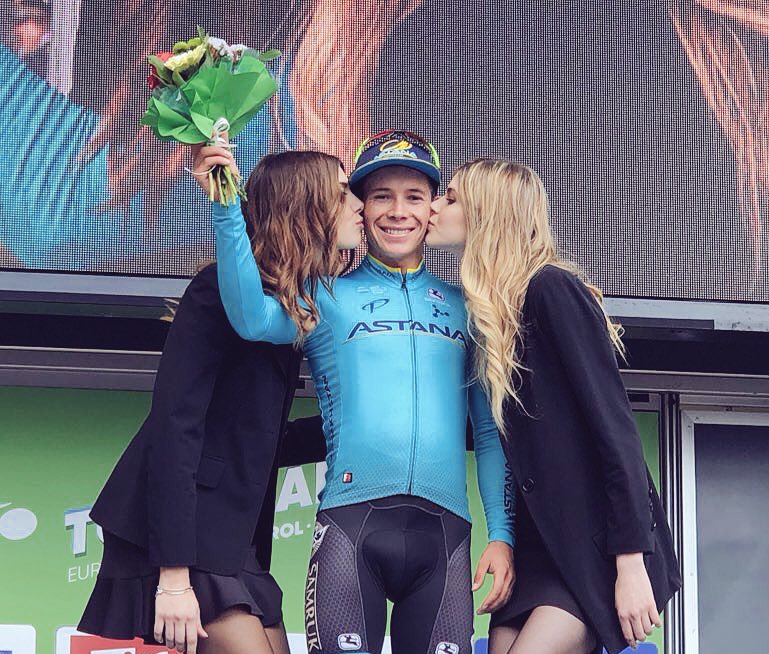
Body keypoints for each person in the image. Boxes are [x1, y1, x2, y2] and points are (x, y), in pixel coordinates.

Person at [193, 129, 515, 654]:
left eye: (414, 197)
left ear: (433, 208)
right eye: (381, 196)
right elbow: (250, 317)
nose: (398, 212)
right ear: (361, 209)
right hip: (350, 524)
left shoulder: (468, 308)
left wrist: (501, 534)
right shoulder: (326, 295)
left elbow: (487, 430)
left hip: (446, 537)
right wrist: (226, 206)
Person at [78, 149, 363, 654]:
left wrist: (358, 428)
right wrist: (173, 577)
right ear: (304, 207)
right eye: (342, 193)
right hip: (183, 536)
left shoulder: (290, 304)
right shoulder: (214, 292)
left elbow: (255, 439)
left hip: (232, 539)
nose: (358, 204)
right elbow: (174, 430)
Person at [426, 159, 682, 654]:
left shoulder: (551, 289)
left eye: (450, 197)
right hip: (536, 549)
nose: (434, 206)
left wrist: (630, 561)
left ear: (487, 213)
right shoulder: (490, 318)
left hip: (593, 552)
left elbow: (614, 430)